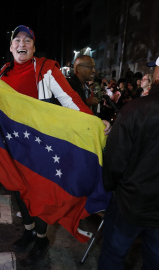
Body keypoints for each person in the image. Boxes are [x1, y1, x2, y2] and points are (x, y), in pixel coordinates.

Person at [0, 25, 111, 267]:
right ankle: (28, 231)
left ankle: (41, 239)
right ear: (10, 47)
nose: (22, 44)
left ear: (34, 47)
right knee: (18, 191)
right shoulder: (3, 74)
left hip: (40, 147)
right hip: (15, 147)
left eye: (27, 40)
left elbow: (70, 99)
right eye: (17, 40)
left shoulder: (46, 70)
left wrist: (92, 121)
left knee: (38, 193)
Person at [98, 56, 159, 270]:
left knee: (113, 257)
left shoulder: (135, 110)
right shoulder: (135, 109)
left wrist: (110, 188)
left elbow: (115, 160)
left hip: (130, 203)